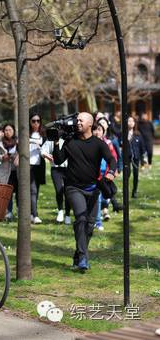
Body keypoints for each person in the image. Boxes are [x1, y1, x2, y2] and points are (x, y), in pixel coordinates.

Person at [53, 112, 116, 271]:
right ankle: (83, 258)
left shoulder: (98, 143)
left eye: (81, 120)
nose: (77, 122)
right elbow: (59, 160)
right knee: (81, 218)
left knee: (89, 224)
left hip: (93, 189)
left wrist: (111, 171)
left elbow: (111, 159)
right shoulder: (70, 141)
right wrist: (56, 142)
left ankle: (78, 254)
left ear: (90, 124)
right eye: (77, 120)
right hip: (74, 188)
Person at [92, 123, 117, 231]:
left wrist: (112, 171)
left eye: (99, 130)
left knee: (105, 198)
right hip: (94, 176)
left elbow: (113, 158)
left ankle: (103, 213)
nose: (97, 132)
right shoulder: (89, 144)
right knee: (97, 199)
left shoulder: (107, 143)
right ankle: (97, 221)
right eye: (95, 130)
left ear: (103, 132)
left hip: (105, 175)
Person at [41, 136, 71, 225]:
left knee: (68, 191)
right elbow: (43, 150)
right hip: (56, 169)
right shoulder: (51, 138)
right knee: (59, 190)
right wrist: (46, 155)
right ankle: (60, 211)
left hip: (68, 169)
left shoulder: (69, 138)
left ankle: (68, 214)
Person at [29, 113, 46, 224]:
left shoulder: (43, 135)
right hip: (28, 166)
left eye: (38, 121)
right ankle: (35, 215)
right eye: (33, 121)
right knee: (33, 191)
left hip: (39, 166)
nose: (36, 123)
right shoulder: (25, 134)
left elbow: (46, 148)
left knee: (36, 191)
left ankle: (31, 213)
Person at [0, 124, 18, 221]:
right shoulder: (0, 143)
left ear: (14, 131)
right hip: (6, 171)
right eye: (6, 130)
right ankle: (9, 212)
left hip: (18, 171)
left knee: (19, 192)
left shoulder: (18, 142)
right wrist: (2, 157)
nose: (8, 132)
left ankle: (19, 210)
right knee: (8, 192)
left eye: (10, 130)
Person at [128, 116, 147, 198]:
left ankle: (134, 191)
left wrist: (144, 160)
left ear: (134, 123)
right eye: (129, 121)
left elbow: (142, 148)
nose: (131, 122)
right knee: (127, 174)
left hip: (136, 157)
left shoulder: (138, 134)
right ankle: (126, 191)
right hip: (127, 157)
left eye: (132, 121)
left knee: (136, 175)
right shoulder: (123, 134)